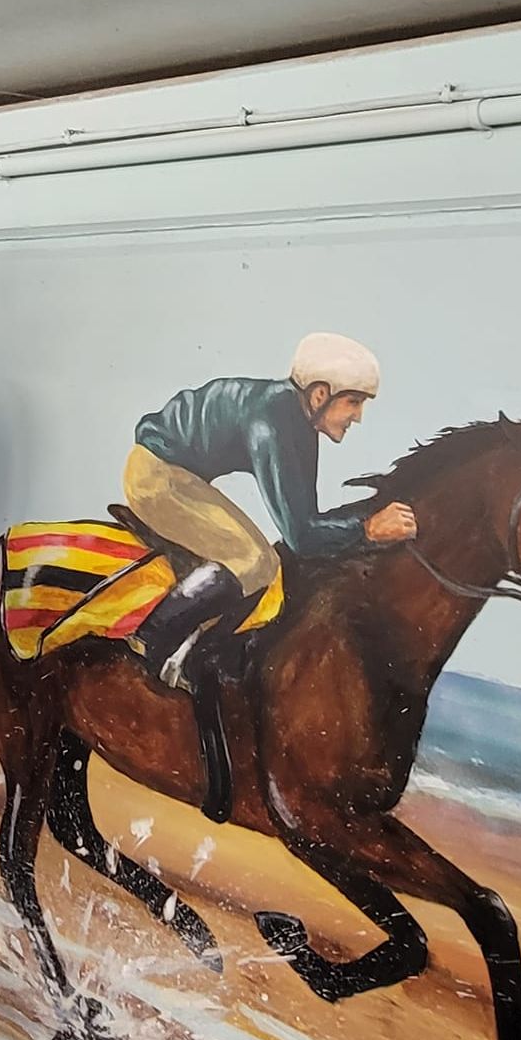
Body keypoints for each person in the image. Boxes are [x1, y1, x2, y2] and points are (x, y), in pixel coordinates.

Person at [120, 334, 418, 819]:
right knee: (256, 560)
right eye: (353, 402)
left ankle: (200, 642)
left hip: (183, 473)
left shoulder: (299, 422)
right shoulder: (274, 422)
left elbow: (309, 518)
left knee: (259, 557)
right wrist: (368, 528)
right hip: (157, 477)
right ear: (319, 395)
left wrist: (359, 528)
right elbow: (301, 535)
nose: (358, 416)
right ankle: (152, 637)